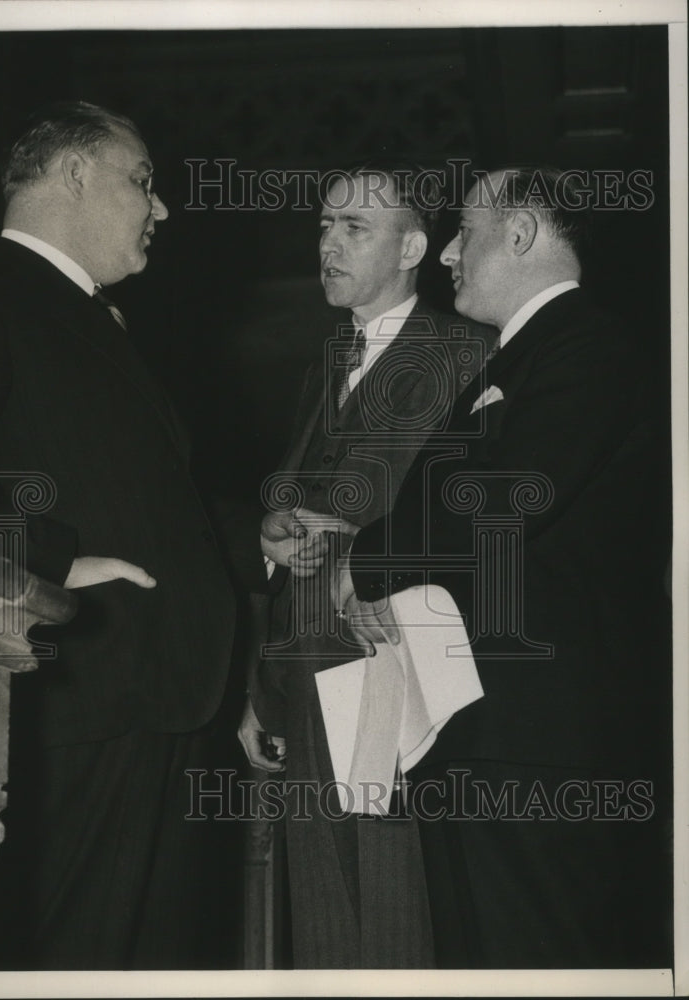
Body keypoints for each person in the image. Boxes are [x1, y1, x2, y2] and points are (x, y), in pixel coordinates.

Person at [0, 100, 317, 970]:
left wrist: (255, 531)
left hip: (162, 703)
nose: (162, 207)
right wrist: (55, 558)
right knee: (73, 960)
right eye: (142, 181)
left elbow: (146, 497)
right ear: (74, 176)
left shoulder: (91, 317)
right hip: (79, 703)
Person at [341, 166, 672, 968]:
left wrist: (366, 557)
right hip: (487, 730)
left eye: (467, 230)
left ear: (521, 235)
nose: (450, 251)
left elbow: (504, 500)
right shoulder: (517, 361)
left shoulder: (588, 345)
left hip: (542, 745)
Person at [237, 161, 496, 968]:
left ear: (414, 245)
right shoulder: (324, 365)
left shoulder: (468, 354)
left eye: (355, 228)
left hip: (393, 670)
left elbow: (477, 516)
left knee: (391, 915)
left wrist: (349, 531)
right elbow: (297, 524)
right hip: (303, 674)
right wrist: (260, 687)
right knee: (323, 924)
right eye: (323, 225)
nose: (328, 244)